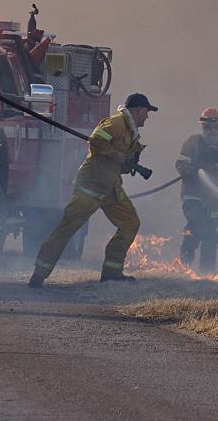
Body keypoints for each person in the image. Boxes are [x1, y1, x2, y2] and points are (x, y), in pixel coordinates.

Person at [28, 93, 156, 288]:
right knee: (68, 227)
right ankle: (39, 273)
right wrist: (116, 155)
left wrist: (127, 163)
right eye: (147, 112)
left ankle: (112, 272)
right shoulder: (117, 123)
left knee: (130, 223)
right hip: (91, 185)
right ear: (138, 110)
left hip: (110, 187)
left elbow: (117, 159)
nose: (147, 116)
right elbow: (96, 140)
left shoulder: (130, 131)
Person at [176, 107, 218, 272]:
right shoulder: (192, 143)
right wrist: (196, 169)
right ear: (202, 127)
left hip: (214, 199)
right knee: (195, 226)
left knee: (211, 234)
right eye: (207, 127)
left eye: (215, 127)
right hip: (193, 195)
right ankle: (184, 268)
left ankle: (207, 274)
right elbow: (181, 165)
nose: (211, 131)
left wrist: (214, 167)